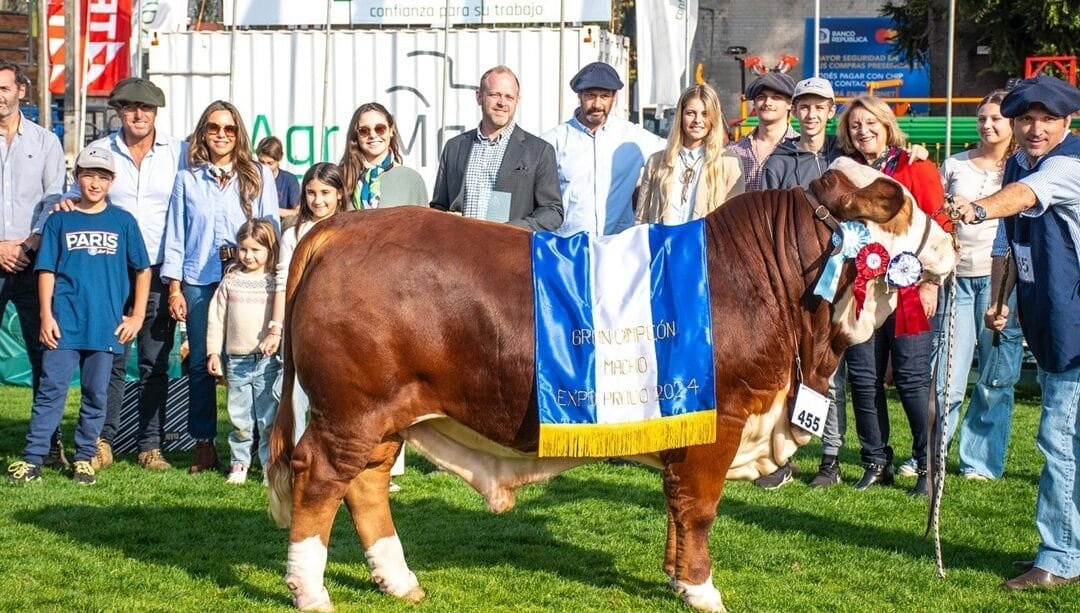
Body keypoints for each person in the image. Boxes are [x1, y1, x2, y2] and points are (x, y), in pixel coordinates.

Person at [950, 73, 1080, 590]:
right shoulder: (1022, 163)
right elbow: (1010, 247)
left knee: (1058, 440)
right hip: (1049, 324)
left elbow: (1022, 198)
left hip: (1075, 328)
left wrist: (977, 207)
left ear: (1066, 122)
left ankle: (1059, 557)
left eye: (1047, 119)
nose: (1035, 128)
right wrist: (1001, 301)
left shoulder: (1066, 166)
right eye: (1025, 117)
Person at [7, 146, 150, 485]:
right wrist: (46, 316)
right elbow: (46, 271)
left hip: (106, 326)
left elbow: (142, 270)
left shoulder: (123, 221)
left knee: (96, 393)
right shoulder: (60, 220)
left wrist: (137, 316)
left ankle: (85, 457)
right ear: (77, 177)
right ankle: (34, 458)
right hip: (64, 324)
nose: (95, 182)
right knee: (50, 390)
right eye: (88, 174)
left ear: (112, 181)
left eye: (102, 176)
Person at [69, 77, 188, 473]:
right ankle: (102, 439)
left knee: (156, 361)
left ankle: (150, 445)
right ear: (119, 111)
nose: (139, 115)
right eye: (131, 108)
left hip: (157, 268)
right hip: (109, 269)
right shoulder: (101, 151)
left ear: (156, 113)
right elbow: (73, 194)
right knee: (111, 357)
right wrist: (62, 206)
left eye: (147, 109)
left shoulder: (179, 152)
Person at [162, 100, 280, 475]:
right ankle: (204, 443)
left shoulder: (258, 175)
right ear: (203, 133)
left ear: (238, 134)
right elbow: (176, 235)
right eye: (213, 128)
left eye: (229, 129)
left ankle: (259, 447)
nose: (221, 136)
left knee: (258, 361)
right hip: (200, 276)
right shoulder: (187, 179)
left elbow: (272, 228)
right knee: (202, 363)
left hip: (250, 276)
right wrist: (175, 288)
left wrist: (272, 277)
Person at [837, 94, 946, 497]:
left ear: (886, 126)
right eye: (854, 126)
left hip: (910, 289)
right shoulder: (844, 173)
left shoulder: (916, 167)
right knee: (864, 379)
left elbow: (939, 225)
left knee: (912, 379)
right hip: (860, 291)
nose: (862, 131)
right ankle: (875, 461)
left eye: (870, 124)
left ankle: (928, 466)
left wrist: (931, 282)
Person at [758, 76, 847, 489]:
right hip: (790, 283)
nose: (811, 115)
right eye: (804, 107)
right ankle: (782, 458)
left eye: (820, 107)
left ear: (832, 111)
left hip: (839, 279)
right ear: (795, 112)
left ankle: (830, 457)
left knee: (828, 368)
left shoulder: (844, 157)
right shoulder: (778, 161)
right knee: (788, 368)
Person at [934, 90, 1023, 481]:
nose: (987, 125)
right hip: (956, 276)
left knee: (995, 377)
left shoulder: (1022, 169)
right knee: (945, 378)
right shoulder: (954, 164)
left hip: (1002, 281)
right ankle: (931, 455)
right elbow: (934, 213)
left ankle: (980, 463)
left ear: (1012, 124)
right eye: (982, 118)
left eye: (996, 119)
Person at [0, 59, 66, 468]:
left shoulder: (45, 142)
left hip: (30, 262)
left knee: (45, 357)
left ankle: (48, 442)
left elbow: (55, 198)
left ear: (20, 91)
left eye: (4, 88)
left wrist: (30, 243)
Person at [431, 65, 562, 230]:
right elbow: (439, 206)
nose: (502, 103)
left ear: (517, 101)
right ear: (479, 97)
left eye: (509, 97)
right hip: (459, 250)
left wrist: (510, 231)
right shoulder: (454, 147)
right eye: (495, 95)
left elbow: (553, 211)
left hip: (508, 251)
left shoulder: (539, 151)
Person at [542, 61, 665, 235]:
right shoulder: (554, 141)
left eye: (605, 96)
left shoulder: (633, 136)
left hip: (617, 247)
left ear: (614, 97)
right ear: (580, 96)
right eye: (590, 95)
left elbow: (675, 152)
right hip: (569, 248)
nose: (597, 104)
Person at [207, 218, 281, 485]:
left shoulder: (275, 284)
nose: (248, 255)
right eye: (243, 249)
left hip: (267, 361)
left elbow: (281, 317)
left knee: (268, 417)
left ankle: (268, 465)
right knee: (239, 417)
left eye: (255, 250)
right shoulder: (231, 281)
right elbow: (217, 318)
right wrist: (213, 353)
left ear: (270, 250)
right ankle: (239, 463)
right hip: (236, 360)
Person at [636, 83, 744, 224]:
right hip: (662, 244)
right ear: (681, 116)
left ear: (713, 119)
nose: (697, 120)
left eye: (705, 114)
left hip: (705, 244)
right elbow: (641, 218)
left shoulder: (729, 163)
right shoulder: (656, 161)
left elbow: (735, 220)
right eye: (690, 113)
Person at [338, 102, 427, 210]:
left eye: (379, 128)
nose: (373, 135)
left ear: (391, 130)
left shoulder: (411, 179)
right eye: (364, 131)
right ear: (356, 135)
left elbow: (423, 224)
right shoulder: (341, 177)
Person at [727, 71, 798, 192]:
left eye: (776, 97)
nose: (767, 103)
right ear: (754, 103)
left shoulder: (800, 150)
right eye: (761, 97)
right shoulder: (734, 151)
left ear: (789, 104)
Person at [256, 136, 301, 217]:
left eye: (270, 163)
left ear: (280, 158)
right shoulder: (252, 179)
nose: (265, 167)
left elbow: (297, 211)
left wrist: (271, 211)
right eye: (262, 162)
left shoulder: (290, 180)